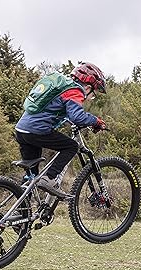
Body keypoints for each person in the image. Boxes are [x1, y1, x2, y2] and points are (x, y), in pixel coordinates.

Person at [15, 62, 107, 198]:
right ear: (88, 88)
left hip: (22, 130)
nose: (90, 98)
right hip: (37, 131)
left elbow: (57, 110)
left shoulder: (62, 87)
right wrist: (96, 121)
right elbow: (77, 116)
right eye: (93, 94)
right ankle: (49, 178)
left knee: (31, 177)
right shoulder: (75, 91)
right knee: (71, 146)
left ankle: (21, 213)